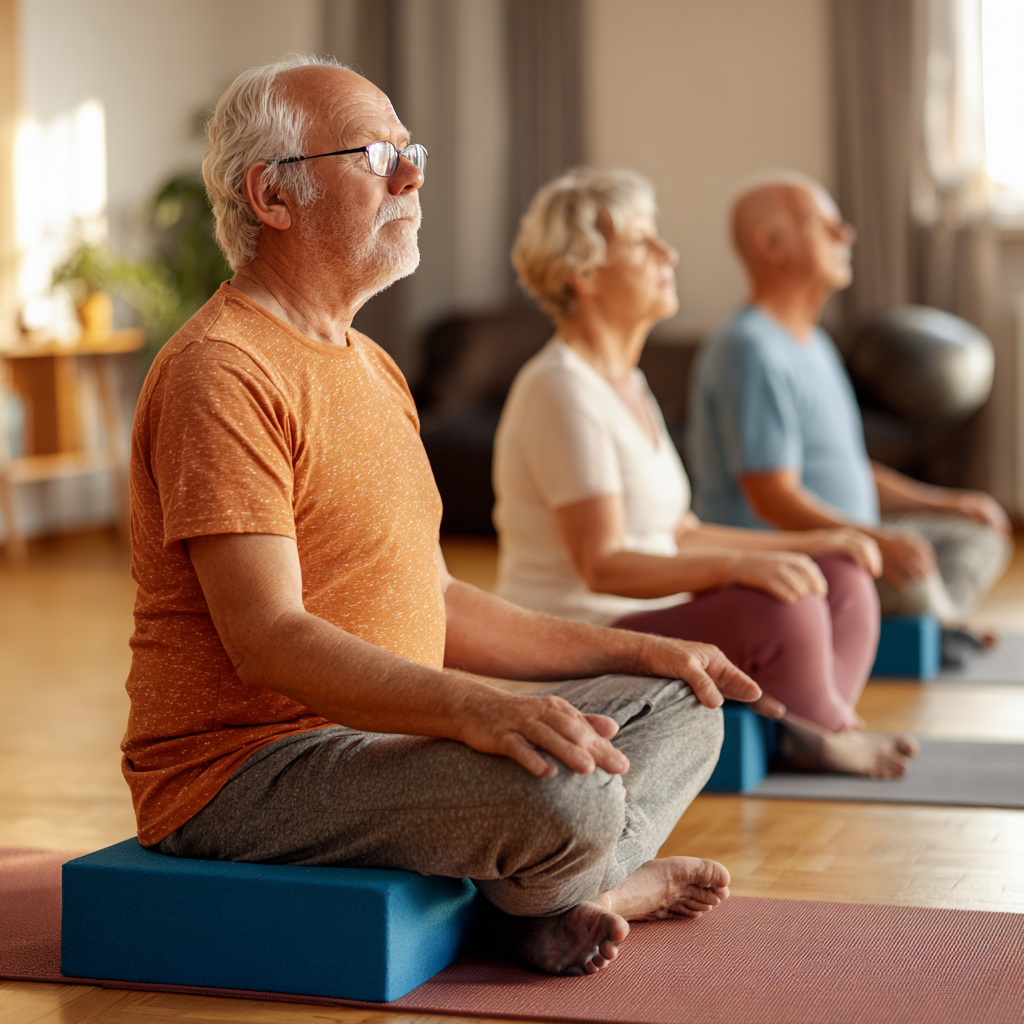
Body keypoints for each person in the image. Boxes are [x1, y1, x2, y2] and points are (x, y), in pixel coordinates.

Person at [120, 55, 767, 980]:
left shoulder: (373, 368)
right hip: (250, 771)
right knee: (573, 797)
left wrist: (637, 651)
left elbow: (437, 602)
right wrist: (474, 712)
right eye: (378, 155)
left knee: (684, 705)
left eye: (408, 150)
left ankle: (560, 893)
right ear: (273, 195)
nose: (412, 175)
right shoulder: (221, 370)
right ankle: (571, 889)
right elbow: (267, 639)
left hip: (384, 740)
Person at [493, 167, 916, 779]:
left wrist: (815, 542)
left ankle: (815, 725)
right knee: (780, 607)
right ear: (582, 273)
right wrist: (743, 566)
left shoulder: (628, 383)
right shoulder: (560, 387)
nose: (670, 253)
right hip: (585, 626)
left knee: (839, 572)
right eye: (643, 241)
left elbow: (680, 530)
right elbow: (603, 562)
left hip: (654, 608)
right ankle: (816, 729)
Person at [688, 173, 1012, 648]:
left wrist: (946, 502)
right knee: (911, 570)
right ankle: (928, 624)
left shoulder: (815, 343)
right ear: (771, 244)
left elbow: (848, 470)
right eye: (824, 224)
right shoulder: (748, 349)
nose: (846, 234)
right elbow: (771, 498)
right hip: (792, 555)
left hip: (850, 538)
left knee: (978, 532)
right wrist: (874, 541)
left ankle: (918, 624)